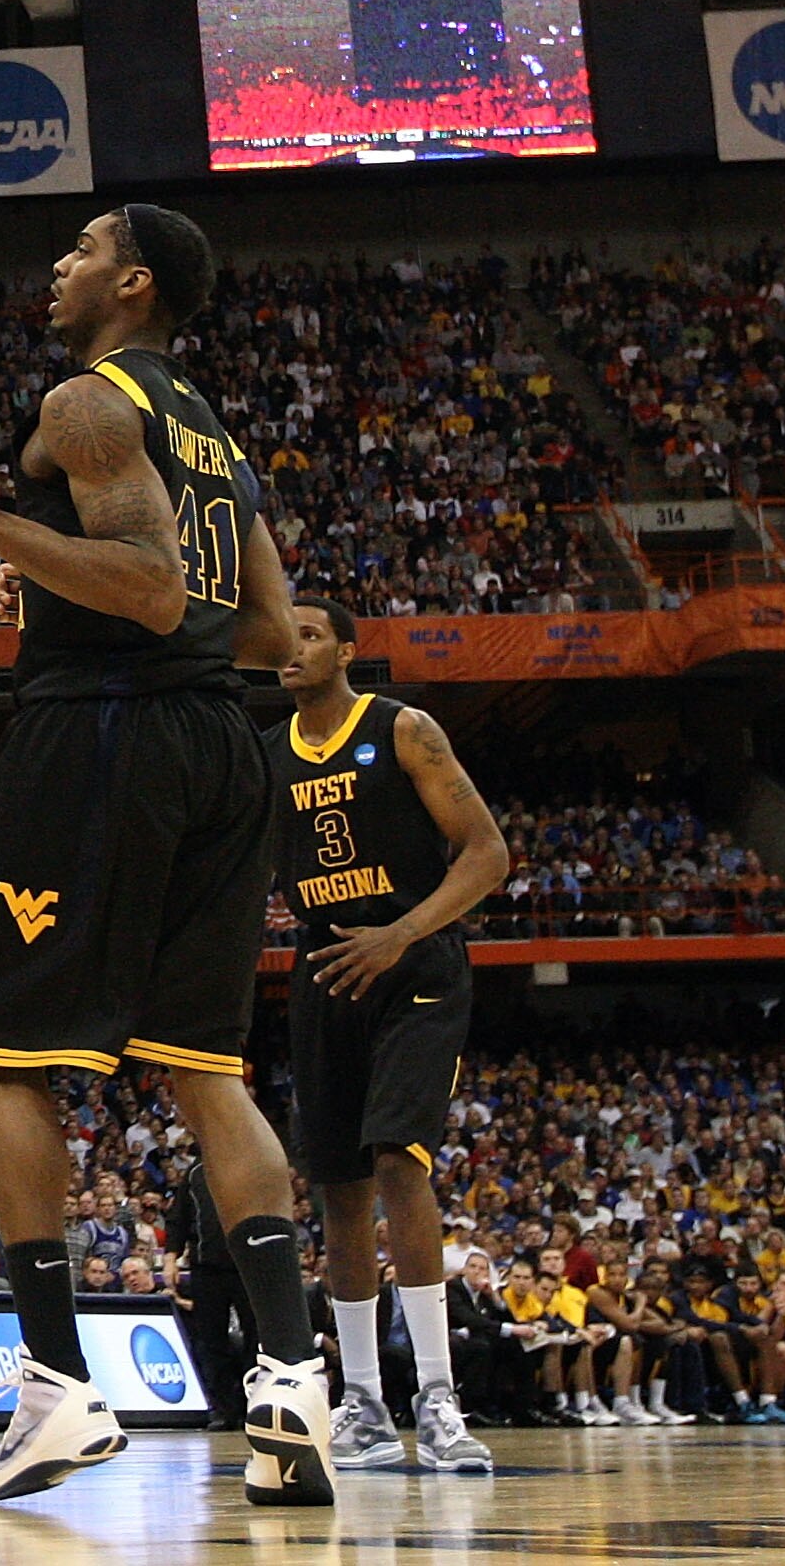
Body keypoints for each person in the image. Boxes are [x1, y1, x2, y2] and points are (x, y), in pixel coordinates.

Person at [0, 206, 333, 1507]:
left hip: (102, 734)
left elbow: (146, 588)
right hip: (221, 744)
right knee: (206, 1068)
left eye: (81, 248)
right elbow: (261, 627)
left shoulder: (91, 402)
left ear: (130, 282)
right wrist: (59, 571)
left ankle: (51, 1384)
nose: (58, 265)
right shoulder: (218, 438)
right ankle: (291, 1380)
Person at [270, 599, 509, 1476]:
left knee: (401, 1162)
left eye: (308, 633)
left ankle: (438, 1399)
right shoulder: (266, 756)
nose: (291, 648)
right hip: (326, 968)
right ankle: (363, 1404)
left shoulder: (403, 728)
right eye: (283, 635)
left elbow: (488, 853)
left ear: (345, 649)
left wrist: (400, 932)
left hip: (415, 963)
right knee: (337, 1191)